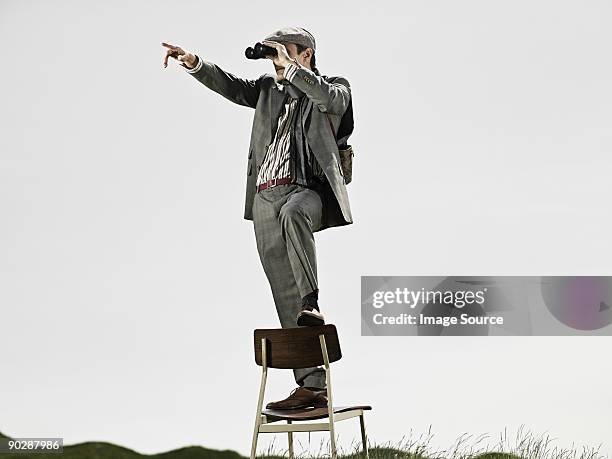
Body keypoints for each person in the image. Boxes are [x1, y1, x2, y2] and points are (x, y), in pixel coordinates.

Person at [161, 26, 353, 410]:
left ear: (306, 55)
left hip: (306, 190)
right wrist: (194, 63)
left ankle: (312, 300)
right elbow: (232, 86)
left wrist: (293, 69)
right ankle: (312, 388)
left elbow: (332, 100)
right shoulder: (268, 90)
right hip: (266, 194)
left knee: (296, 214)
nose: (276, 62)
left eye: (283, 52)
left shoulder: (332, 87)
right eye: (272, 54)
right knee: (284, 291)